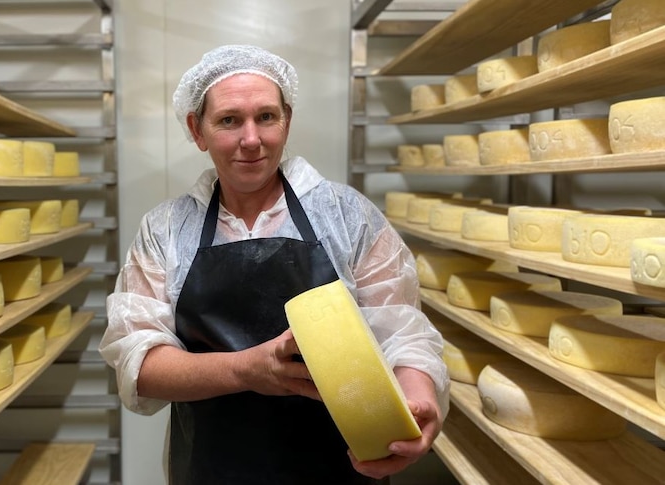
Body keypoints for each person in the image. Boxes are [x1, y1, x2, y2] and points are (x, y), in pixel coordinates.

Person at [100, 44, 449, 485]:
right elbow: (141, 363)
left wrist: (419, 404)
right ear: (197, 130)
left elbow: (404, 335)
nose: (252, 140)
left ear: (287, 119)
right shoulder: (166, 229)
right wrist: (248, 369)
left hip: (341, 467)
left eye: (266, 117)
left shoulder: (347, 216)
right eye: (229, 120)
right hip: (211, 468)